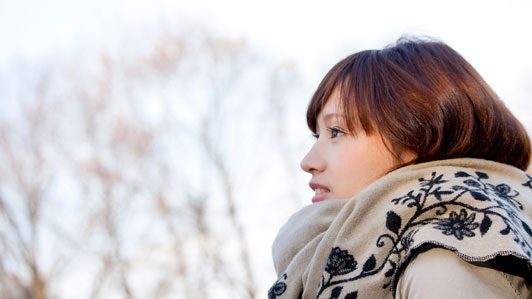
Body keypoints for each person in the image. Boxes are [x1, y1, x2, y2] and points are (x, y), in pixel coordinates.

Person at [268, 38, 532, 299]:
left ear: (416, 138)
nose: (308, 162)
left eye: (336, 131)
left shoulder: (442, 259)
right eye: (317, 136)